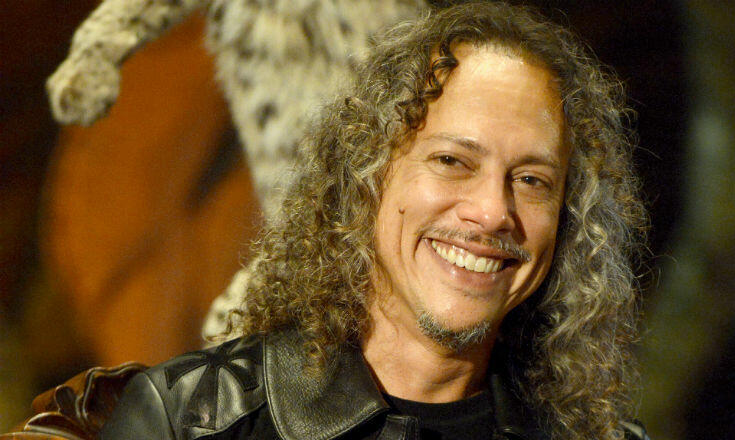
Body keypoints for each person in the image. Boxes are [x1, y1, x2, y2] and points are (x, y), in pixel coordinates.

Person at [100, 2, 649, 439]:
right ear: (365, 177)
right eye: (452, 161)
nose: (492, 212)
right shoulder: (190, 420)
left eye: (531, 180)